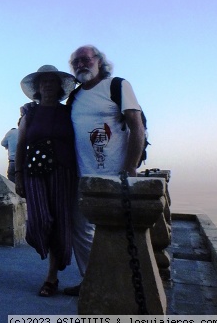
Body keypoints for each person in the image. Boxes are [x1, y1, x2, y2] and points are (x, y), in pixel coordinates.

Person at [63, 45, 145, 297]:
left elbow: (137, 126)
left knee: (118, 232)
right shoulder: (74, 97)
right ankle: (90, 281)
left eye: (85, 59)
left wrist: (130, 167)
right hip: (83, 177)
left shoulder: (117, 86)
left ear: (99, 61)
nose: (80, 65)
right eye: (75, 62)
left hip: (115, 176)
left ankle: (123, 286)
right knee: (81, 231)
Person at [14, 65, 77, 297]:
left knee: (61, 221)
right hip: (35, 172)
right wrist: (18, 175)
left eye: (52, 81)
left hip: (63, 171)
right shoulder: (29, 114)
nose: (48, 85)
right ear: (38, 88)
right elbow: (21, 145)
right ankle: (51, 252)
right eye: (44, 82)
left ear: (59, 87)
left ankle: (51, 276)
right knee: (41, 219)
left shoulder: (68, 112)